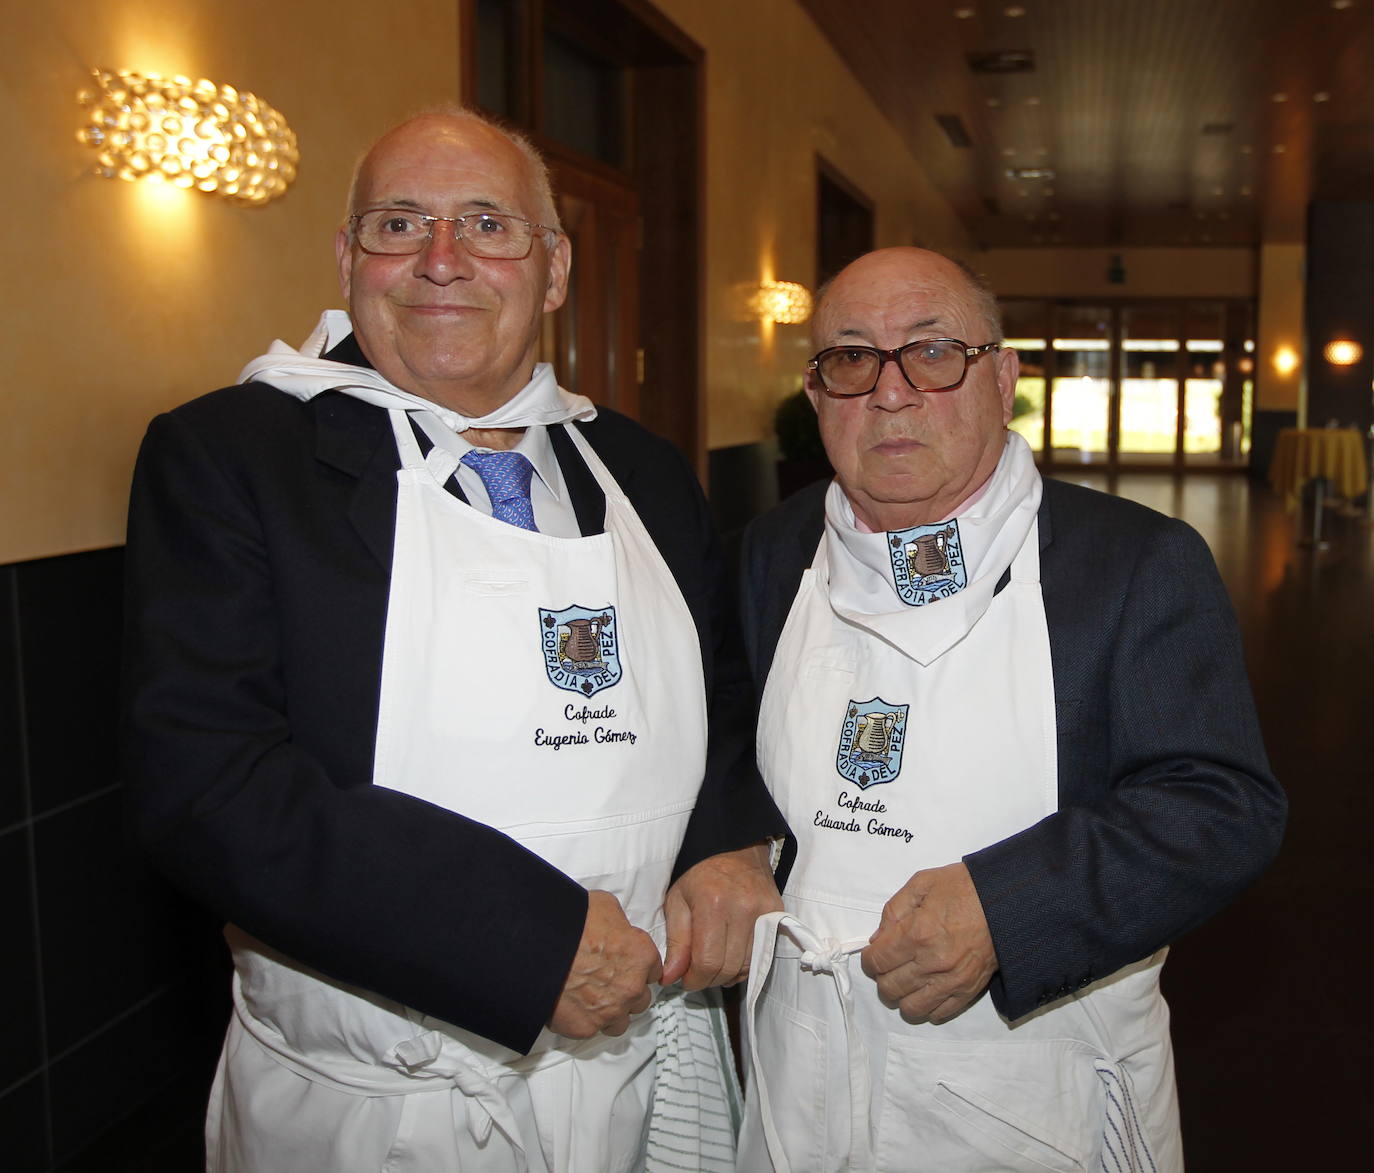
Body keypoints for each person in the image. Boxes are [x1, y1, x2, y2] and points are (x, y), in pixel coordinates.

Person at [122, 108, 785, 1173]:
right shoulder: (233, 457)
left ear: (554, 267)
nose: (442, 260)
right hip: (381, 1107)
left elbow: (718, 690)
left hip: (643, 1065)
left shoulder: (643, 469)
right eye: (398, 225)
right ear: (346, 260)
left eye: (488, 223)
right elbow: (210, 786)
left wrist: (730, 844)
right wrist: (526, 942)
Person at [734, 247, 1285, 1172]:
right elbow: (717, 738)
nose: (892, 392)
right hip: (803, 1081)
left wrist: (1008, 905)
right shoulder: (768, 552)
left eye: (934, 351)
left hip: (1038, 1089)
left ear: (1005, 376)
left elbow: (1222, 804)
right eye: (851, 358)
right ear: (817, 392)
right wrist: (727, 842)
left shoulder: (1133, 562)